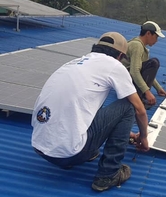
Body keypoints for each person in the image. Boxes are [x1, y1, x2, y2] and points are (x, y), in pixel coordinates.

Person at [31, 32, 150, 192]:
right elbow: (139, 110)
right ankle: (108, 174)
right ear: (120, 56)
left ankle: (79, 150)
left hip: (40, 148)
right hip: (69, 154)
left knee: (90, 101)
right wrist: (143, 137)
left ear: (95, 49)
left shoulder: (72, 63)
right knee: (127, 106)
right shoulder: (114, 65)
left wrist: (128, 135)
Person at [121, 21, 166, 109]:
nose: (156, 41)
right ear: (148, 33)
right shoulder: (137, 46)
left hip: (127, 81)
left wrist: (158, 88)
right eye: (156, 37)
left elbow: (147, 72)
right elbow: (134, 71)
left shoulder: (140, 46)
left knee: (152, 63)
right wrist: (147, 92)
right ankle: (140, 98)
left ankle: (141, 95)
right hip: (125, 81)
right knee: (154, 62)